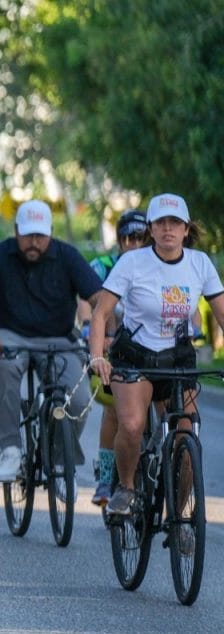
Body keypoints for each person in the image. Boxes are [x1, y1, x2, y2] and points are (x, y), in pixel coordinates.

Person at [90, 194, 224, 516]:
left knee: (187, 440)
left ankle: (179, 518)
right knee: (133, 425)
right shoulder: (132, 263)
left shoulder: (199, 263)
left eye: (175, 222)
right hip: (135, 356)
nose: (168, 229)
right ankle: (126, 487)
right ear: (151, 228)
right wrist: (97, 356)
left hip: (177, 358)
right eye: (161, 222)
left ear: (185, 228)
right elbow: (99, 313)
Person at [0, 200, 101, 483]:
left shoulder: (67, 256)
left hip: (59, 338)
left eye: (40, 236)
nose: (33, 242)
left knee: (80, 399)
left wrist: (107, 331)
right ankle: (10, 448)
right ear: (16, 231)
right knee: (3, 369)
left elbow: (98, 298)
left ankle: (57, 460)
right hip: (9, 335)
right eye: (28, 235)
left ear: (50, 233)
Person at [75, 209, 148, 505]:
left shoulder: (159, 266)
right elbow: (85, 302)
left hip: (153, 350)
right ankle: (106, 478)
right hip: (114, 348)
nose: (135, 244)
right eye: (128, 238)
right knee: (115, 411)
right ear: (119, 241)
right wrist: (90, 329)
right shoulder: (103, 266)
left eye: (141, 238)